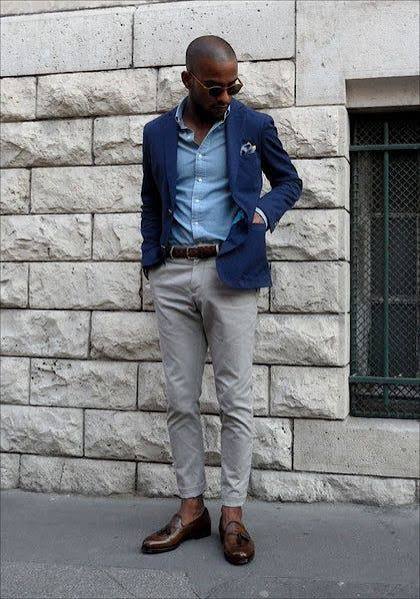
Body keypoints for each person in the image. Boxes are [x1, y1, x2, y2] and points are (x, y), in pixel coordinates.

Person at [140, 35, 303, 565]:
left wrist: (262, 215)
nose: (227, 96)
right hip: (173, 273)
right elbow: (150, 201)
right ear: (187, 80)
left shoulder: (253, 125)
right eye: (215, 88)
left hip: (231, 271)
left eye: (234, 85)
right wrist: (152, 259)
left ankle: (233, 513)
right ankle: (192, 507)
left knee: (236, 399)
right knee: (180, 398)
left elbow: (289, 181)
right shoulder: (156, 134)